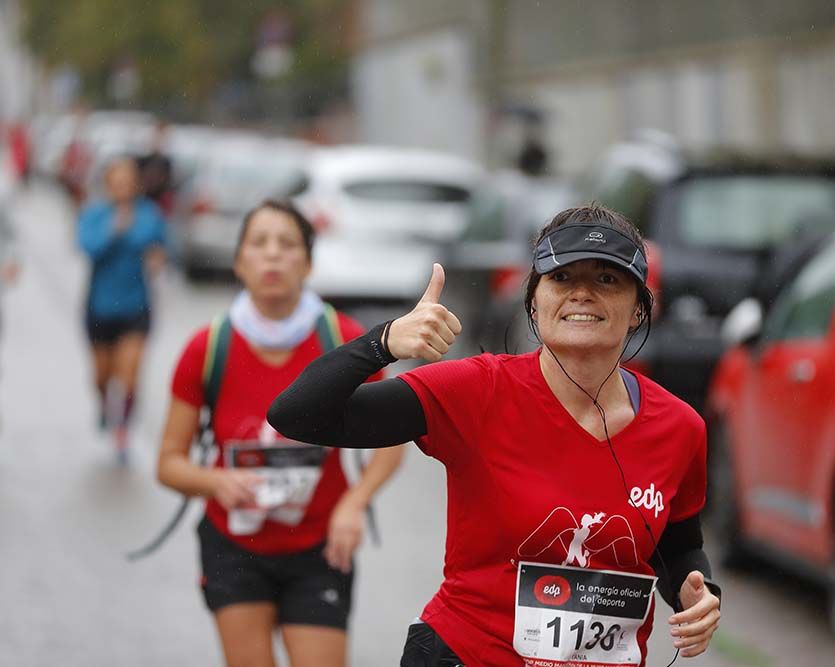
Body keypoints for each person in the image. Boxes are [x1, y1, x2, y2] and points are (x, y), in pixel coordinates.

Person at [269, 204, 722, 667]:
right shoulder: (478, 390)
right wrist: (383, 342)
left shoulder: (680, 427)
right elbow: (298, 415)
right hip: (466, 655)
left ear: (639, 310)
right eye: (562, 278)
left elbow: (678, 546)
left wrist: (698, 593)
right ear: (533, 301)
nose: (582, 293)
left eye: (607, 279)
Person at [157, 199, 404, 667]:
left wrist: (354, 503)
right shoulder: (208, 348)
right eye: (259, 243)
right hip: (234, 545)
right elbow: (168, 462)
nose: (272, 255)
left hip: (318, 546)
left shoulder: (344, 341)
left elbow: (393, 442)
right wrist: (216, 482)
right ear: (239, 261)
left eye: (287, 244)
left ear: (308, 262)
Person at [78, 157, 167, 461]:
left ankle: (122, 432)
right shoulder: (95, 215)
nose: (123, 187)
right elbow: (88, 248)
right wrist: (114, 230)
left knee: (129, 375)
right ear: (107, 183)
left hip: (135, 307)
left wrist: (157, 258)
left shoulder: (149, 214)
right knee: (102, 376)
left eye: (128, 181)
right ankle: (104, 404)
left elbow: (160, 247)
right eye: (117, 181)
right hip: (100, 307)